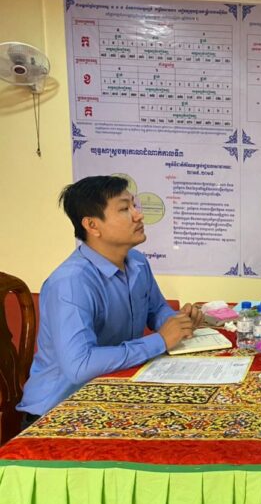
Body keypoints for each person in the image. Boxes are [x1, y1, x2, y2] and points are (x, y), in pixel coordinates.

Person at [17, 175, 202, 420]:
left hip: (112, 394)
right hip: (59, 412)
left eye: (134, 205)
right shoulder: (70, 283)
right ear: (92, 226)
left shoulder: (137, 262)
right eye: (125, 209)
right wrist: (160, 340)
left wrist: (178, 322)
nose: (138, 215)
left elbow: (156, 309)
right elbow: (80, 365)